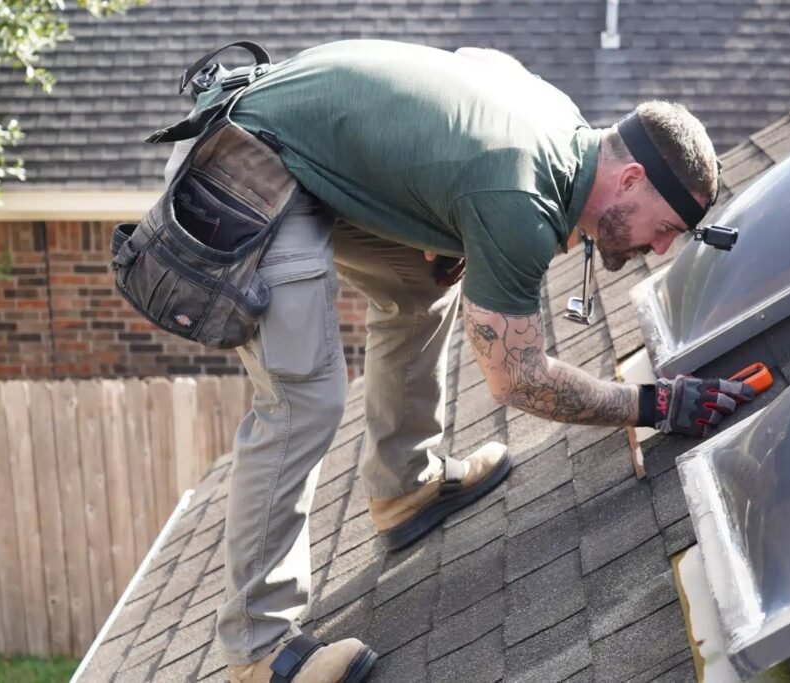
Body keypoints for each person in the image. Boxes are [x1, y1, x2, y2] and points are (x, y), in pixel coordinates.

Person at [164, 40, 753, 683]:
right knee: (302, 397)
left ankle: (403, 486)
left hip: (297, 147)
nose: (662, 249)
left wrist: (433, 213)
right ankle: (258, 648)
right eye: (664, 228)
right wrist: (655, 403)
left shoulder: (562, 124)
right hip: (246, 166)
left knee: (423, 290)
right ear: (631, 179)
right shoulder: (520, 196)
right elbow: (519, 380)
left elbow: (479, 59)